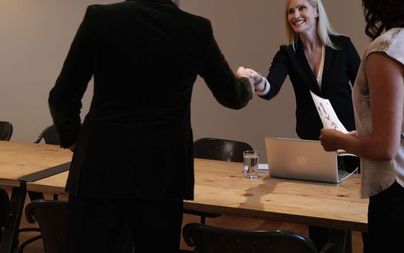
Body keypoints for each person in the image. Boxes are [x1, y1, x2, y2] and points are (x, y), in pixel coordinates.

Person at [48, 0, 253, 252]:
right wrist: (245, 80)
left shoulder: (99, 18)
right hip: (163, 174)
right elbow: (233, 97)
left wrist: (74, 140)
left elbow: (61, 97)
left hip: (99, 169)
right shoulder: (196, 29)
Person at [319, 0, 404, 252]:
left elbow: (385, 148)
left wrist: (337, 140)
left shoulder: (387, 49)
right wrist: (360, 135)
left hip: (400, 193)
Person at [237, 0, 360, 248]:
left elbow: (364, 90)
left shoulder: (342, 46)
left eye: (302, 8)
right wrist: (256, 78)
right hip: (313, 142)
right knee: (319, 214)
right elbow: (270, 89)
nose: (296, 15)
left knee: (355, 213)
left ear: (316, 11)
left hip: (349, 140)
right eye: (291, 11)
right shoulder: (288, 53)